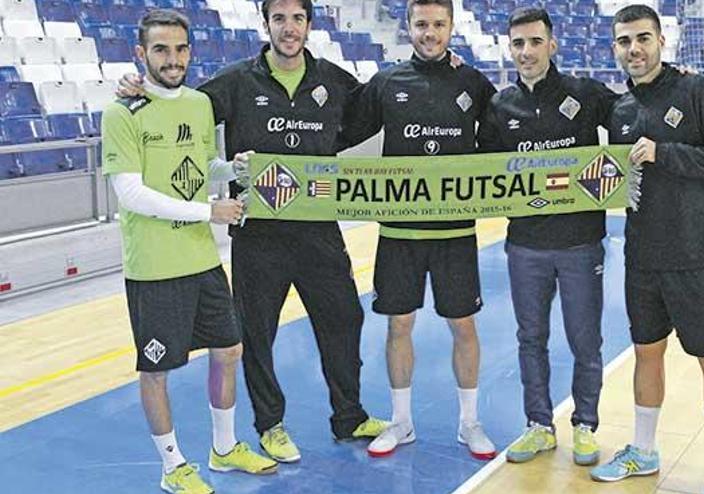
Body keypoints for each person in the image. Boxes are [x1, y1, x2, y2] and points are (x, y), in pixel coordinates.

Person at [118, 0, 388, 464]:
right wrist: (135, 88)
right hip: (258, 234)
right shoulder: (236, 81)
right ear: (266, 25)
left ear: (309, 24)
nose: (289, 28)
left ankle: (350, 415)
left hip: (318, 228)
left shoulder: (334, 80)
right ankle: (271, 425)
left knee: (345, 318)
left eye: (298, 18)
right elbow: (179, 106)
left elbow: (370, 113)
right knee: (257, 334)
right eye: (279, 18)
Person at [102, 9, 278, 494]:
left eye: (180, 49)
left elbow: (199, 167)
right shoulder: (122, 112)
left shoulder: (200, 104)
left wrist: (229, 168)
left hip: (202, 259)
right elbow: (131, 194)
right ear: (141, 54)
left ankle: (223, 449)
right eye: (160, 49)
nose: (172, 58)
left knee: (229, 349)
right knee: (156, 368)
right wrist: (210, 213)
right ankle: (172, 465)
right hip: (155, 267)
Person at [589, 6, 704, 494]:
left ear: (661, 40)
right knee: (646, 354)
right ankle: (644, 450)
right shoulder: (618, 109)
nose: (633, 49)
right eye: (623, 42)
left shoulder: (697, 92)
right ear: (614, 48)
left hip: (698, 256)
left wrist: (665, 152)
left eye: (642, 38)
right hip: (644, 258)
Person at [337, 0, 497, 459]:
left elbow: (504, 135)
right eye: (422, 24)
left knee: (463, 326)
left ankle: (470, 423)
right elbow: (340, 131)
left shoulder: (473, 83)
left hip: (455, 234)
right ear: (408, 27)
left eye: (439, 24)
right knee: (398, 325)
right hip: (399, 233)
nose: (430, 33)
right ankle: (401, 422)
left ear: (451, 27)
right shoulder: (387, 83)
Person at [477, 6, 619, 467]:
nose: (526, 52)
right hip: (525, 245)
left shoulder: (586, 93)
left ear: (552, 45)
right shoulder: (500, 106)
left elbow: (632, 118)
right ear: (510, 49)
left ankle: (585, 426)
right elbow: (482, 171)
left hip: (581, 243)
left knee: (585, 340)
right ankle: (538, 425)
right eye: (518, 44)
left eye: (535, 42)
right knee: (530, 338)